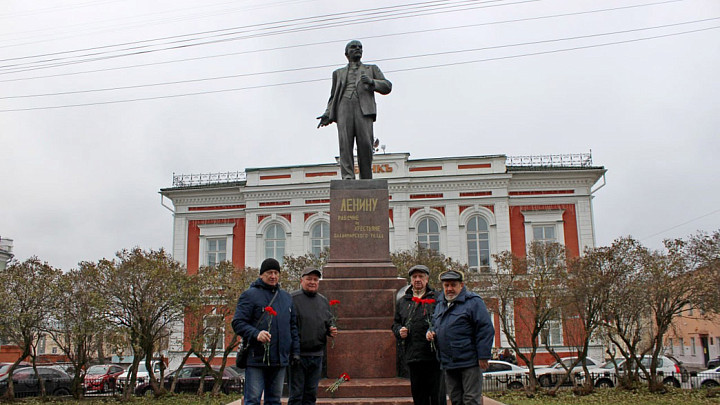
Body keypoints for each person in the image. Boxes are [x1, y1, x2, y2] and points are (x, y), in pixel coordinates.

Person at [317, 40, 392, 180]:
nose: (358, 49)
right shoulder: (338, 73)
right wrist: (328, 113)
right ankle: (348, 177)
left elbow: (387, 86)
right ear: (346, 53)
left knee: (365, 144)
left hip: (364, 109)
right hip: (343, 107)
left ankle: (366, 178)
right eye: (353, 47)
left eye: (360, 47)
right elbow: (333, 96)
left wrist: (372, 82)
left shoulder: (371, 69)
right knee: (345, 143)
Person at [232, 258, 300, 405]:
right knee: (253, 400)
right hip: (257, 359)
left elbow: (292, 327)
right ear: (261, 275)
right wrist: (256, 334)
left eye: (276, 273)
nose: (273, 276)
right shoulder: (249, 295)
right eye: (269, 272)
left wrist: (295, 352)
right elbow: (237, 323)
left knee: (274, 400)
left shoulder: (286, 298)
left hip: (280, 360)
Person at [426, 270, 494, 405]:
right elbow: (435, 324)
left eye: (453, 285)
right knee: (455, 399)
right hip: (448, 362)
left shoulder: (473, 302)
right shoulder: (440, 304)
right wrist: (431, 331)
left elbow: (485, 329)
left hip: (470, 361)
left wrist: (483, 356)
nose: (449, 289)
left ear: (461, 285)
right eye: (446, 285)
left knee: (471, 400)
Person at [392, 265, 445, 405]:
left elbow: (444, 320)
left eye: (421, 276)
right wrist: (399, 331)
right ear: (411, 280)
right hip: (413, 356)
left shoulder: (438, 298)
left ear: (427, 279)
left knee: (436, 396)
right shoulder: (403, 301)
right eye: (414, 277)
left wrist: (434, 331)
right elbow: (395, 323)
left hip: (434, 356)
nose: (417, 280)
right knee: (419, 395)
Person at [289, 268, 338, 405]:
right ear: (302, 280)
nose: (312, 282)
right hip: (298, 356)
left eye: (315, 279)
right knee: (296, 394)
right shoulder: (292, 299)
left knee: (311, 394)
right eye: (309, 279)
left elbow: (327, 321)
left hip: (316, 355)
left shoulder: (323, 301)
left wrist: (330, 329)